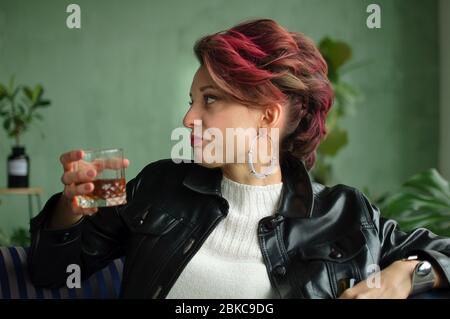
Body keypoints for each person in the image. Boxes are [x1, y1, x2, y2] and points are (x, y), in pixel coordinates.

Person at [28, 18, 450, 299]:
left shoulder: (345, 214)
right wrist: (72, 208)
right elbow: (51, 272)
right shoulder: (157, 188)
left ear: (268, 114)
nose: (188, 117)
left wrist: (404, 275)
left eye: (209, 100)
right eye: (191, 100)